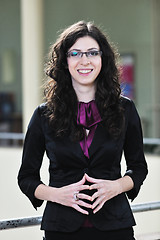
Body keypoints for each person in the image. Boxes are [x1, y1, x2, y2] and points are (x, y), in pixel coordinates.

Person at [18, 21, 148, 240]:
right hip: (60, 229)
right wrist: (56, 195)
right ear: (64, 61)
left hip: (116, 228)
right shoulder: (43, 115)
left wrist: (116, 186)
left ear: (102, 59)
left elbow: (139, 168)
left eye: (92, 53)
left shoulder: (125, 109)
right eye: (75, 53)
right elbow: (26, 177)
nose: (84, 60)